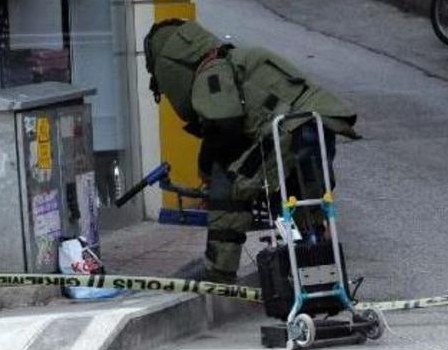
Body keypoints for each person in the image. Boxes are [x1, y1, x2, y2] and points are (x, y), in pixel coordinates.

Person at [143, 19, 358, 283]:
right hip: (317, 124)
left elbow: (225, 124)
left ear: (171, 66)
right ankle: (317, 274)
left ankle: (219, 273)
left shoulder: (211, 73)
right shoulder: (232, 59)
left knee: (231, 188)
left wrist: (208, 168)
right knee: (300, 204)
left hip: (288, 131)